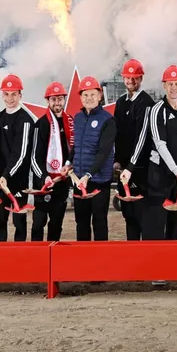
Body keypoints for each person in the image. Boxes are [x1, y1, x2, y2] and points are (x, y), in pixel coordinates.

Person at [121, 65, 177, 241]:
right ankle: (155, 266)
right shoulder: (156, 109)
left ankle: (172, 265)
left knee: (175, 227)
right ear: (164, 86)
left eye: (176, 83)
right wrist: (176, 172)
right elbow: (160, 144)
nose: (173, 87)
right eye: (170, 84)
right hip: (160, 177)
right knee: (156, 228)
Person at [0, 74, 37, 242]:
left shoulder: (25, 121)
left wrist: (6, 175)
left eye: (14, 94)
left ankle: (20, 257)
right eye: (6, 94)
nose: (10, 98)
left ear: (20, 95)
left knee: (19, 221)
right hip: (0, 179)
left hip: (17, 181)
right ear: (2, 95)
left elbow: (21, 154)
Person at [112, 58, 155, 240]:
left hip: (141, 170)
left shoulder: (146, 103)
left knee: (142, 216)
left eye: (134, 78)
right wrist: (118, 160)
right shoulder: (121, 102)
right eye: (127, 78)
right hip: (125, 170)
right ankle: (132, 254)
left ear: (141, 78)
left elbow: (142, 138)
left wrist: (131, 166)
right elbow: (118, 134)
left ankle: (145, 258)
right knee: (128, 215)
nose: (130, 81)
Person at [70, 76, 116, 241]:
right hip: (79, 180)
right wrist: (69, 163)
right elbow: (76, 145)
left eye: (92, 94)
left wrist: (89, 174)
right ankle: (83, 260)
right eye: (85, 95)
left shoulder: (108, 120)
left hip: (98, 181)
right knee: (81, 222)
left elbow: (104, 152)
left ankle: (101, 259)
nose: (89, 98)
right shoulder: (78, 118)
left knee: (99, 221)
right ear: (80, 97)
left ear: (100, 95)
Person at [31, 81, 73, 242]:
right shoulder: (40, 124)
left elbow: (74, 151)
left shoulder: (70, 122)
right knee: (38, 224)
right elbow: (35, 156)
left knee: (56, 223)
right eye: (53, 99)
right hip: (44, 183)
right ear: (47, 101)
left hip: (61, 182)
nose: (57, 102)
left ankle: (53, 257)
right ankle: (36, 258)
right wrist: (44, 177)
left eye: (60, 99)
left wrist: (69, 165)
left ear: (64, 100)